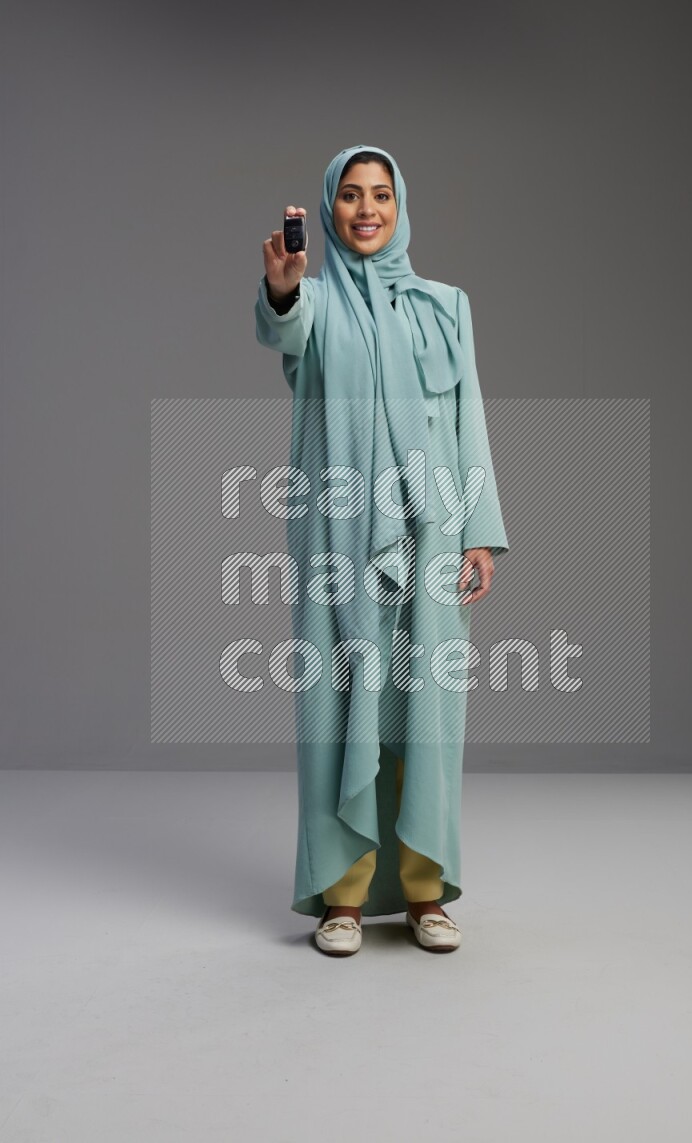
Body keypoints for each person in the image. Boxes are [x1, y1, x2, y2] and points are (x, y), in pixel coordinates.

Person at [255, 144, 509, 956]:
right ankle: (345, 899)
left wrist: (480, 532)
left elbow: (471, 418)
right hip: (340, 535)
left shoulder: (448, 306)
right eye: (351, 197)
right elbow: (280, 328)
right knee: (337, 709)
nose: (367, 210)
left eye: (382, 197)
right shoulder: (318, 303)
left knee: (426, 709)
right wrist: (283, 286)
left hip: (430, 534)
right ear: (328, 211)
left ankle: (427, 894)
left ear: (401, 211)